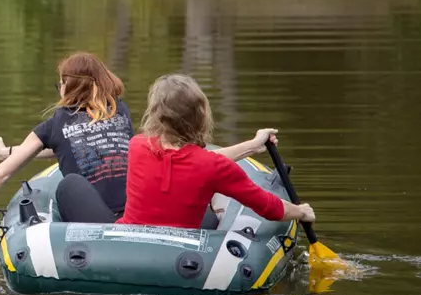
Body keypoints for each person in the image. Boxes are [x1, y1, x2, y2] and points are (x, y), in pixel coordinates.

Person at [53, 74, 316, 229]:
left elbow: (190, 164)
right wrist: (301, 211)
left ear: (155, 113)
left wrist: (252, 145)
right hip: (183, 260)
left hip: (126, 241)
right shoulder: (213, 167)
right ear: (200, 115)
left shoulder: (137, 146)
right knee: (210, 214)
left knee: (70, 185)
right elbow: (268, 207)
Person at [0, 52, 133, 235]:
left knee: (68, 185)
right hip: (134, 216)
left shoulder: (56, 124)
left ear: (68, 87)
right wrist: (5, 152)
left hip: (99, 226)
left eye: (60, 84)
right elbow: (72, 148)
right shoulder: (120, 111)